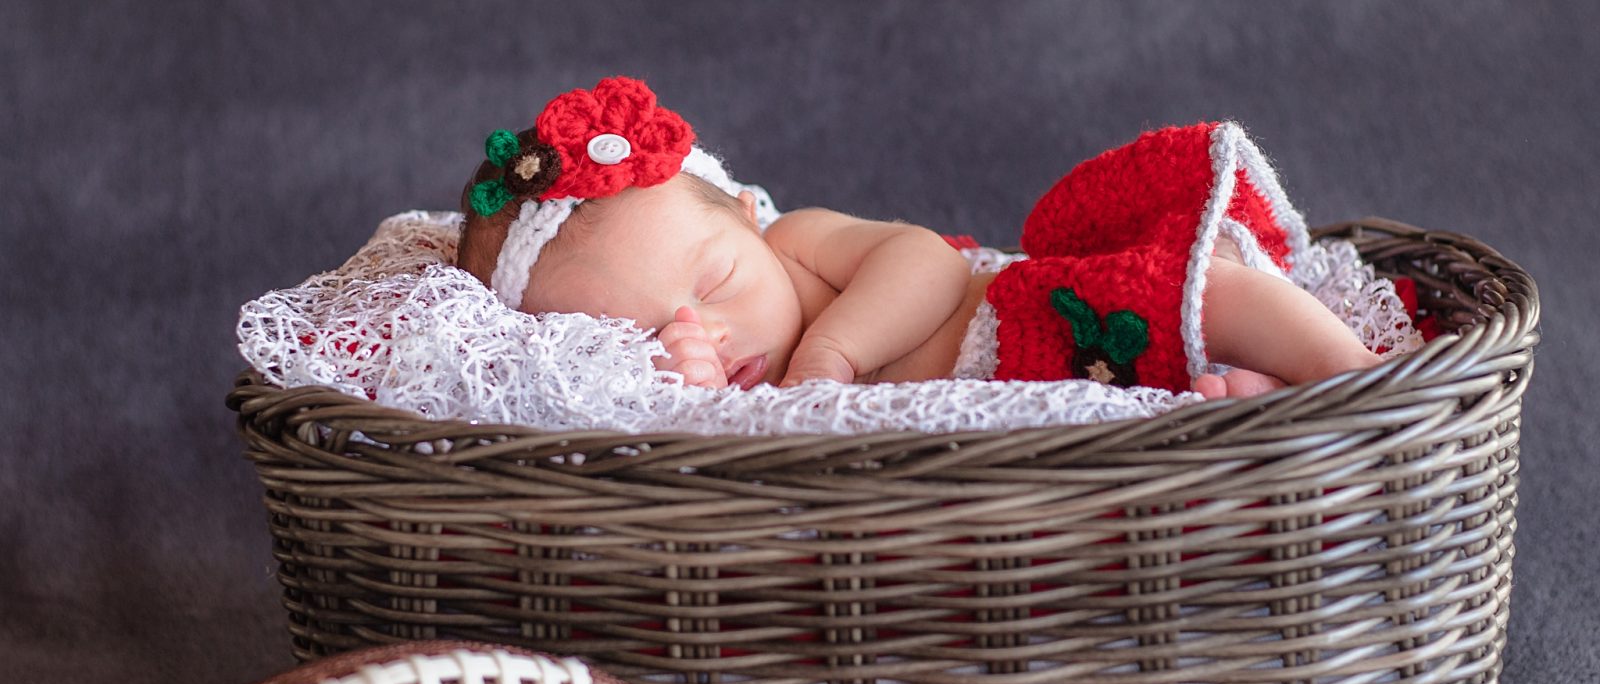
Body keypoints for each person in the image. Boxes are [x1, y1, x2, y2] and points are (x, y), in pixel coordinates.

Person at [454, 77, 1388, 402]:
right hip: (1046, 402)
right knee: (1169, 390)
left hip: (1022, 320)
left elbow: (928, 265)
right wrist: (680, 382)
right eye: (652, 336)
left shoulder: (799, 244)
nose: (707, 334)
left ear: (745, 218)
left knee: (1198, 295)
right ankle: (1256, 393)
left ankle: (1361, 383)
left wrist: (833, 350)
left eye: (715, 284)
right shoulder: (729, 391)